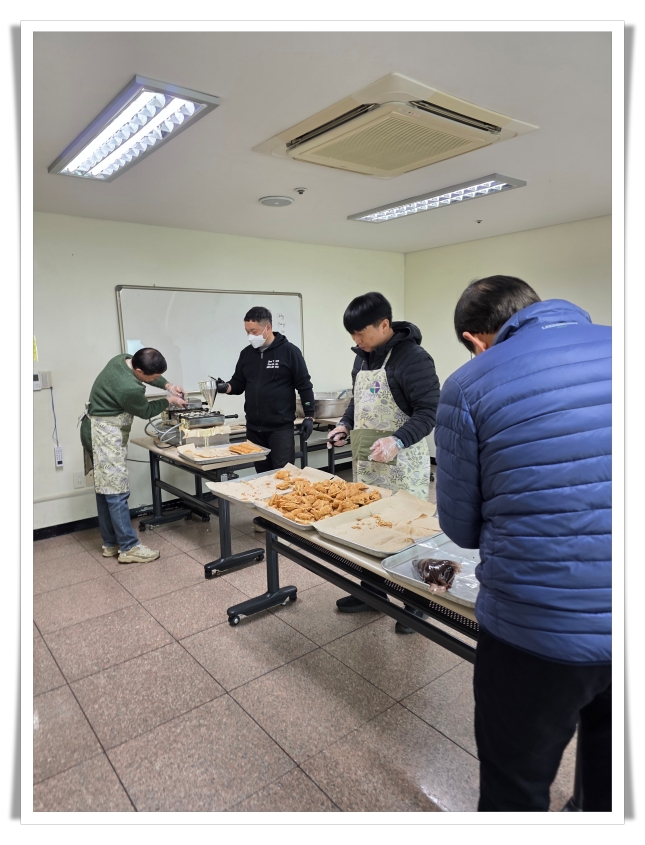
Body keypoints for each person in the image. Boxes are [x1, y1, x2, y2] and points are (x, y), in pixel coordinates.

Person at [433, 276, 611, 812]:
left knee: (516, 784)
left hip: (537, 627)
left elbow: (461, 528)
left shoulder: (470, 383)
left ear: (475, 339)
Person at [327, 292, 441, 633]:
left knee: (406, 532)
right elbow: (357, 401)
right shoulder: (362, 359)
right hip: (368, 461)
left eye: (361, 333)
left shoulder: (414, 358)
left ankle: (416, 603)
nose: (356, 341)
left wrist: (397, 440)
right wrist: (344, 424)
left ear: (384, 325)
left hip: (402, 461)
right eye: (352, 335)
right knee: (369, 528)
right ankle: (372, 593)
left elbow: (429, 412)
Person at [81, 347, 187, 564]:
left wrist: (168, 386)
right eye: (154, 378)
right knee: (117, 491)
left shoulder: (122, 359)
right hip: (104, 435)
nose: (156, 380)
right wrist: (170, 400)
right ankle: (128, 547)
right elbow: (145, 411)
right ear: (139, 371)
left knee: (105, 488)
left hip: (94, 428)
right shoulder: (128, 388)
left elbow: (152, 378)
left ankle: (111, 543)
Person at [217, 306, 315, 472]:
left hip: (280, 429)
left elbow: (304, 385)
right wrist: (226, 387)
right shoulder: (246, 354)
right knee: (261, 476)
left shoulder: (290, 352)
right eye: (247, 331)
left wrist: (309, 416)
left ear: (268, 328)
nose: (250, 336)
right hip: (254, 429)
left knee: (284, 474)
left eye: (253, 331)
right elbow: (238, 383)